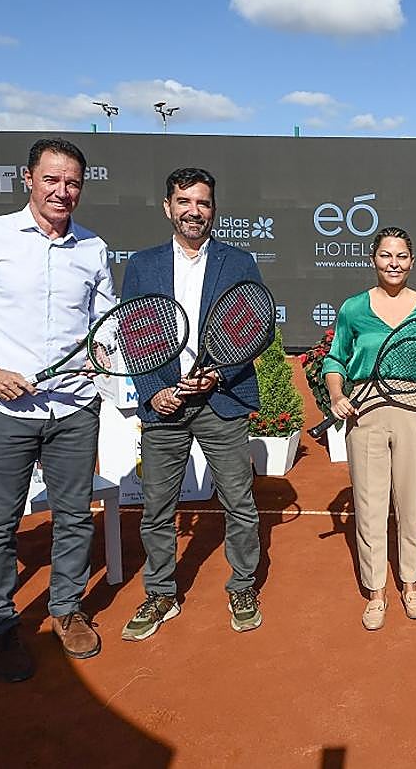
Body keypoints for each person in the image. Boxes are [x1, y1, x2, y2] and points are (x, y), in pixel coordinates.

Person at [0, 138, 115, 681]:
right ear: (28, 179)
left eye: (73, 182)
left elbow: (103, 327)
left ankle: (66, 609)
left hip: (75, 410)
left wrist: (101, 359)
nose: (63, 191)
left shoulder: (93, 248)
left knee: (76, 516)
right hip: (2, 411)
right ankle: (1, 626)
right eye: (52, 179)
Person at [119, 167, 265, 641]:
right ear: (168, 207)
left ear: (213, 210)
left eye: (202, 203)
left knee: (239, 503)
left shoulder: (239, 263)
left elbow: (254, 328)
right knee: (158, 507)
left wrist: (219, 372)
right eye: (184, 201)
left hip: (220, 400)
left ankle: (242, 585)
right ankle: (161, 593)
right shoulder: (142, 265)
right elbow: (131, 332)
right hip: (165, 405)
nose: (193, 211)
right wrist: (152, 390)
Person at [322, 226, 416, 630]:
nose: (393, 263)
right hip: (365, 410)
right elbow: (335, 359)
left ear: (412, 261)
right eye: (385, 255)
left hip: (413, 407)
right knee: (370, 504)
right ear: (373, 259)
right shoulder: (353, 309)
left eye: (401, 256)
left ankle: (411, 585)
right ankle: (376, 591)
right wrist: (337, 396)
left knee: (411, 504)